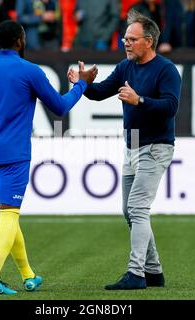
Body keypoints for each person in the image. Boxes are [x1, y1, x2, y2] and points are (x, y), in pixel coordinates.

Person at [0, 20, 97, 295]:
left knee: (8, 214)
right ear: (20, 41)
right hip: (15, 154)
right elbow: (61, 108)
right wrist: (81, 85)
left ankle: (29, 275)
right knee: (9, 214)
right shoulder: (30, 71)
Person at [68, 9, 181, 290]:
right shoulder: (126, 67)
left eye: (131, 39)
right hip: (132, 147)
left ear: (149, 41)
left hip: (156, 147)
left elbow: (171, 107)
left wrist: (139, 100)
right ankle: (154, 272)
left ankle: (136, 273)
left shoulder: (166, 70)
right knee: (129, 210)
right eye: (124, 38)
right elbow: (99, 92)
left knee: (137, 208)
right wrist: (82, 83)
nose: (125, 43)